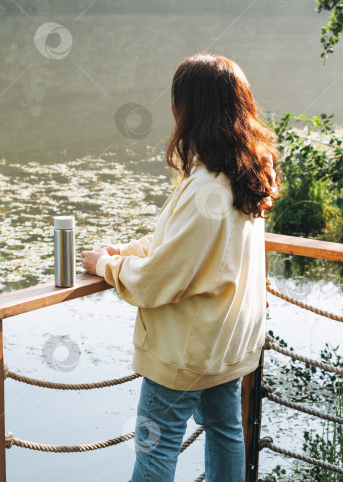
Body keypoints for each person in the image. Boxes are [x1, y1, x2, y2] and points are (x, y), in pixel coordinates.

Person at [81, 52, 281, 482]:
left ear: (186, 109)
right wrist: (128, 251)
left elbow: (160, 280)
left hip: (187, 349)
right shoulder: (246, 173)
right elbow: (191, 246)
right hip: (228, 342)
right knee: (226, 432)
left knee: (156, 448)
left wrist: (107, 267)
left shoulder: (205, 186)